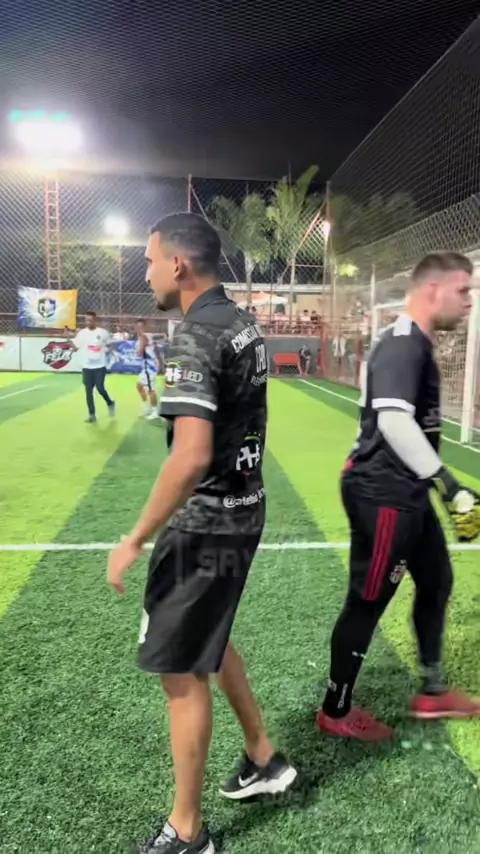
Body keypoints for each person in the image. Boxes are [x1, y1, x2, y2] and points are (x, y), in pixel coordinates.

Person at [107, 213, 296, 854]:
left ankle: (187, 833)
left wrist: (135, 536)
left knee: (181, 671)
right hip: (245, 507)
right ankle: (263, 755)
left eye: (150, 260)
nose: (147, 272)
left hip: (208, 522)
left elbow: (189, 457)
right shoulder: (240, 321)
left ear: (178, 264)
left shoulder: (196, 334)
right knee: (208, 637)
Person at [316, 251, 480, 742]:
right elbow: (392, 421)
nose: (469, 301)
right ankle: (335, 710)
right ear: (433, 290)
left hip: (407, 490)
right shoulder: (402, 344)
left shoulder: (415, 344)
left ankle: (432, 690)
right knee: (368, 600)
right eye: (463, 290)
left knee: (436, 580)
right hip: (382, 493)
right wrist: (448, 483)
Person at [71, 311, 115, 423]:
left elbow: (110, 345)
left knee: (100, 388)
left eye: (91, 320)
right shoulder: (82, 333)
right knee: (88, 391)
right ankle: (92, 415)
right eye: (87, 320)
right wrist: (68, 339)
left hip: (100, 366)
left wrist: (111, 354)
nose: (88, 322)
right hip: (87, 367)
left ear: (95, 320)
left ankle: (110, 402)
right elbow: (75, 348)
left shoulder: (103, 333)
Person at [136, 318, 160, 420]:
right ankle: (147, 408)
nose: (139, 329)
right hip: (147, 366)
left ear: (144, 327)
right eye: (138, 327)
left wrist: (138, 351)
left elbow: (140, 352)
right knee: (139, 386)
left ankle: (155, 412)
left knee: (150, 389)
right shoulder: (146, 336)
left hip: (149, 367)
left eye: (141, 327)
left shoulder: (143, 337)